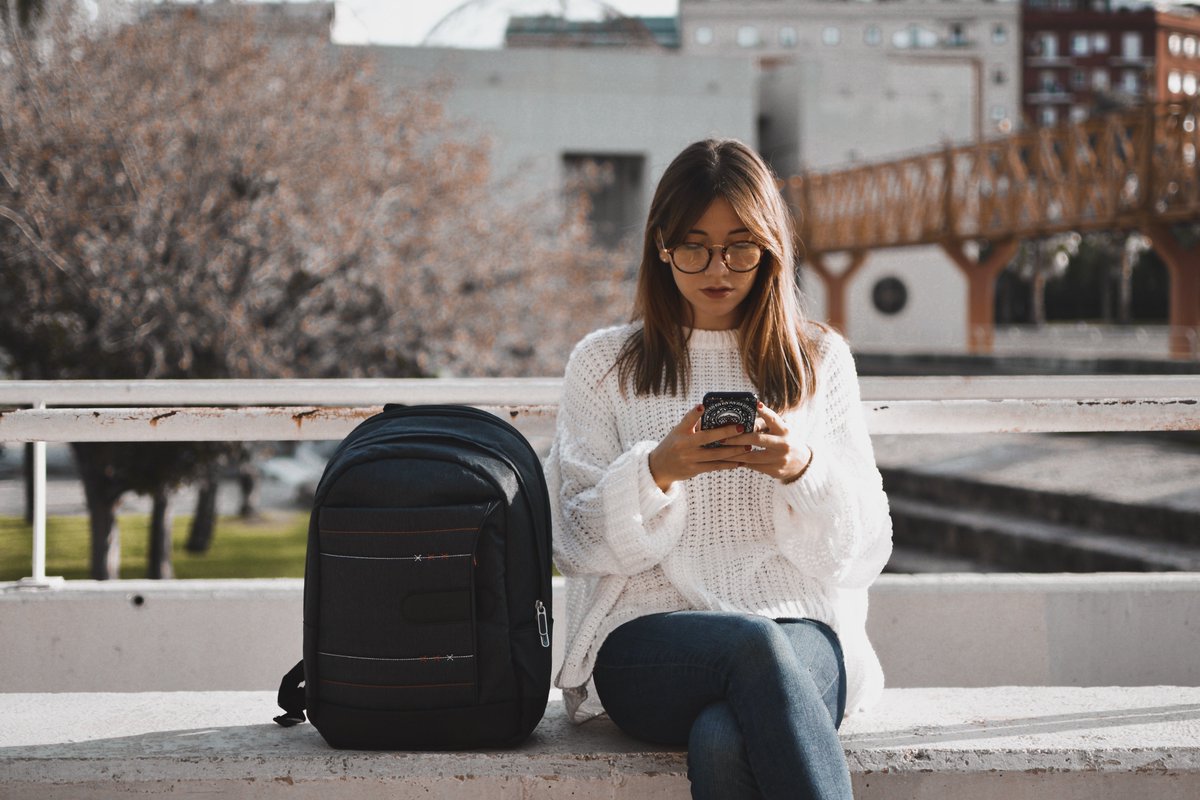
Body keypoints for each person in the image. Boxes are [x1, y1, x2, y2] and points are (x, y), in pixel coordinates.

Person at [546, 138, 893, 800]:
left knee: (722, 739)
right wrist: (656, 470)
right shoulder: (604, 364)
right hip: (649, 642)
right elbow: (573, 538)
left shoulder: (818, 358)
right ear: (661, 245)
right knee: (751, 646)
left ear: (769, 247)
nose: (719, 267)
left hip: (799, 628)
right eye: (695, 246)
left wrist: (804, 470)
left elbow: (866, 550)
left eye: (740, 246)